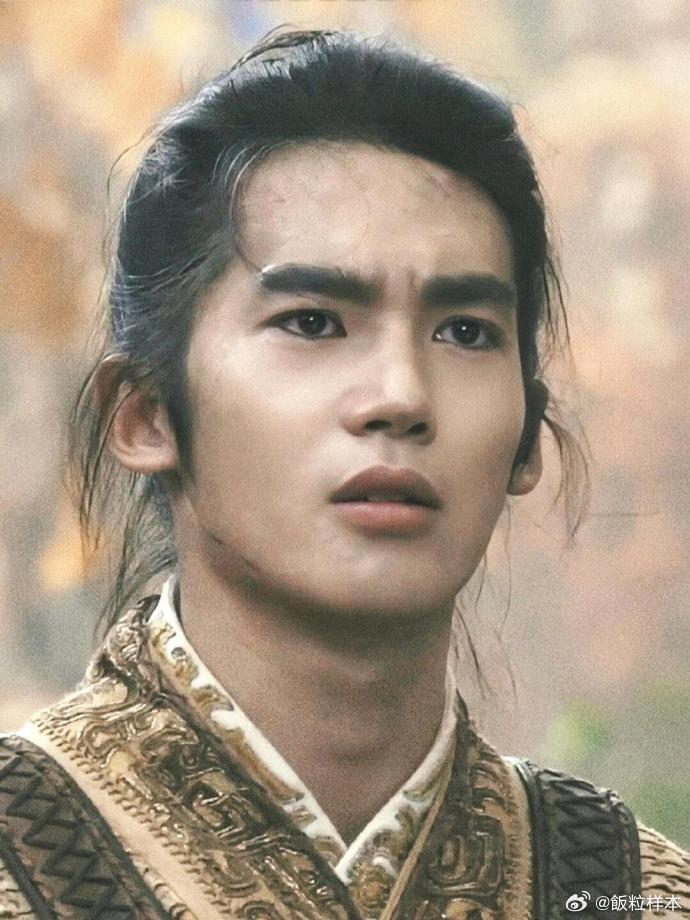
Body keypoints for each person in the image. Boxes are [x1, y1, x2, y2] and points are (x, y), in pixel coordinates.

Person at [0, 29, 687, 920]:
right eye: (314, 322)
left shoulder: (632, 890)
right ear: (146, 415)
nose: (401, 395)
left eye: (465, 332)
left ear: (526, 439)